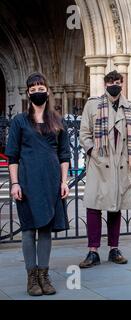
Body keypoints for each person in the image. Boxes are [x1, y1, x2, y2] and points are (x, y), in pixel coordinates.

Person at [5, 72, 71, 296]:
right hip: (27, 181)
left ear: (48, 91)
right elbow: (12, 156)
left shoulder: (57, 121)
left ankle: (44, 274)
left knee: (45, 230)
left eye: (40, 88)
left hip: (51, 181)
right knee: (28, 230)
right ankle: (31, 277)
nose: (37, 92)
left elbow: (64, 155)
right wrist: (14, 183)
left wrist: (64, 182)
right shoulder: (19, 121)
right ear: (28, 94)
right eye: (33, 90)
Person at [79, 70, 131, 268]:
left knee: (116, 206)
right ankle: (93, 251)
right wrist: (94, 153)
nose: (114, 84)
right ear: (105, 84)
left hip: (121, 164)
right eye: (111, 81)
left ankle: (114, 248)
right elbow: (84, 133)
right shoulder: (92, 105)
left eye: (117, 81)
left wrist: (129, 153)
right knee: (94, 205)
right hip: (99, 164)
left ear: (122, 83)